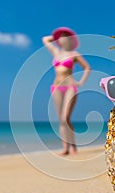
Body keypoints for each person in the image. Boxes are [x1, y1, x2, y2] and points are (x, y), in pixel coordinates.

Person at [42, 27, 91, 155]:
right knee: (61, 120)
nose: (63, 39)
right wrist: (56, 37)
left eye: (66, 37)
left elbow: (87, 68)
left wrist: (81, 82)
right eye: (61, 37)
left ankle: (73, 145)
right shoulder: (56, 52)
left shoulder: (74, 54)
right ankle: (65, 148)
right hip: (56, 87)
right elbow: (45, 39)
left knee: (65, 118)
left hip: (70, 87)